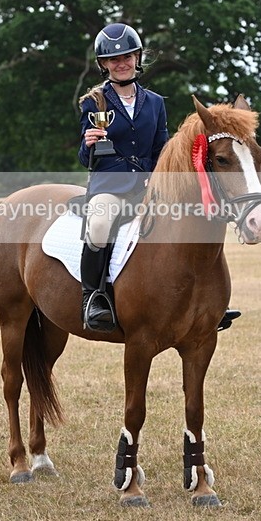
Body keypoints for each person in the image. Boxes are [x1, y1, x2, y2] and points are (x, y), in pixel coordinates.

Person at [78, 23, 169, 331]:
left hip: (148, 187)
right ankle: (93, 297)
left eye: (127, 57)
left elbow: (161, 150)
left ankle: (200, 299)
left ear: (137, 57)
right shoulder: (94, 101)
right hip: (110, 187)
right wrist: (88, 143)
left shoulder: (155, 102)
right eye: (113, 59)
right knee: (100, 224)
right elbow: (84, 159)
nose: (121, 63)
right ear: (104, 64)